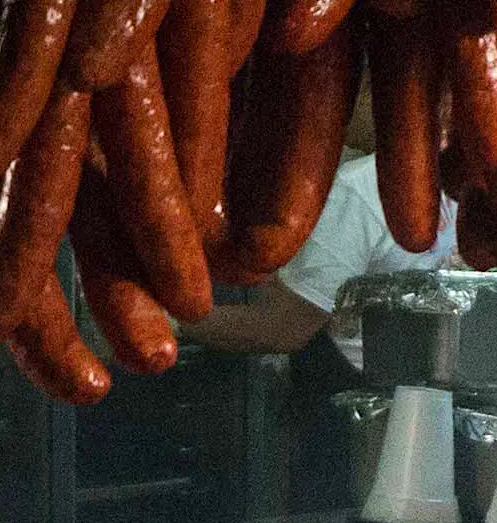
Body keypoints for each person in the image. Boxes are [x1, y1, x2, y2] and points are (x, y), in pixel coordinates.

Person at [177, 149, 457, 363]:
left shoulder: (357, 190)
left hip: (356, 394)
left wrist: (172, 323)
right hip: (422, 379)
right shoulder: (449, 173)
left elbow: (282, 330)